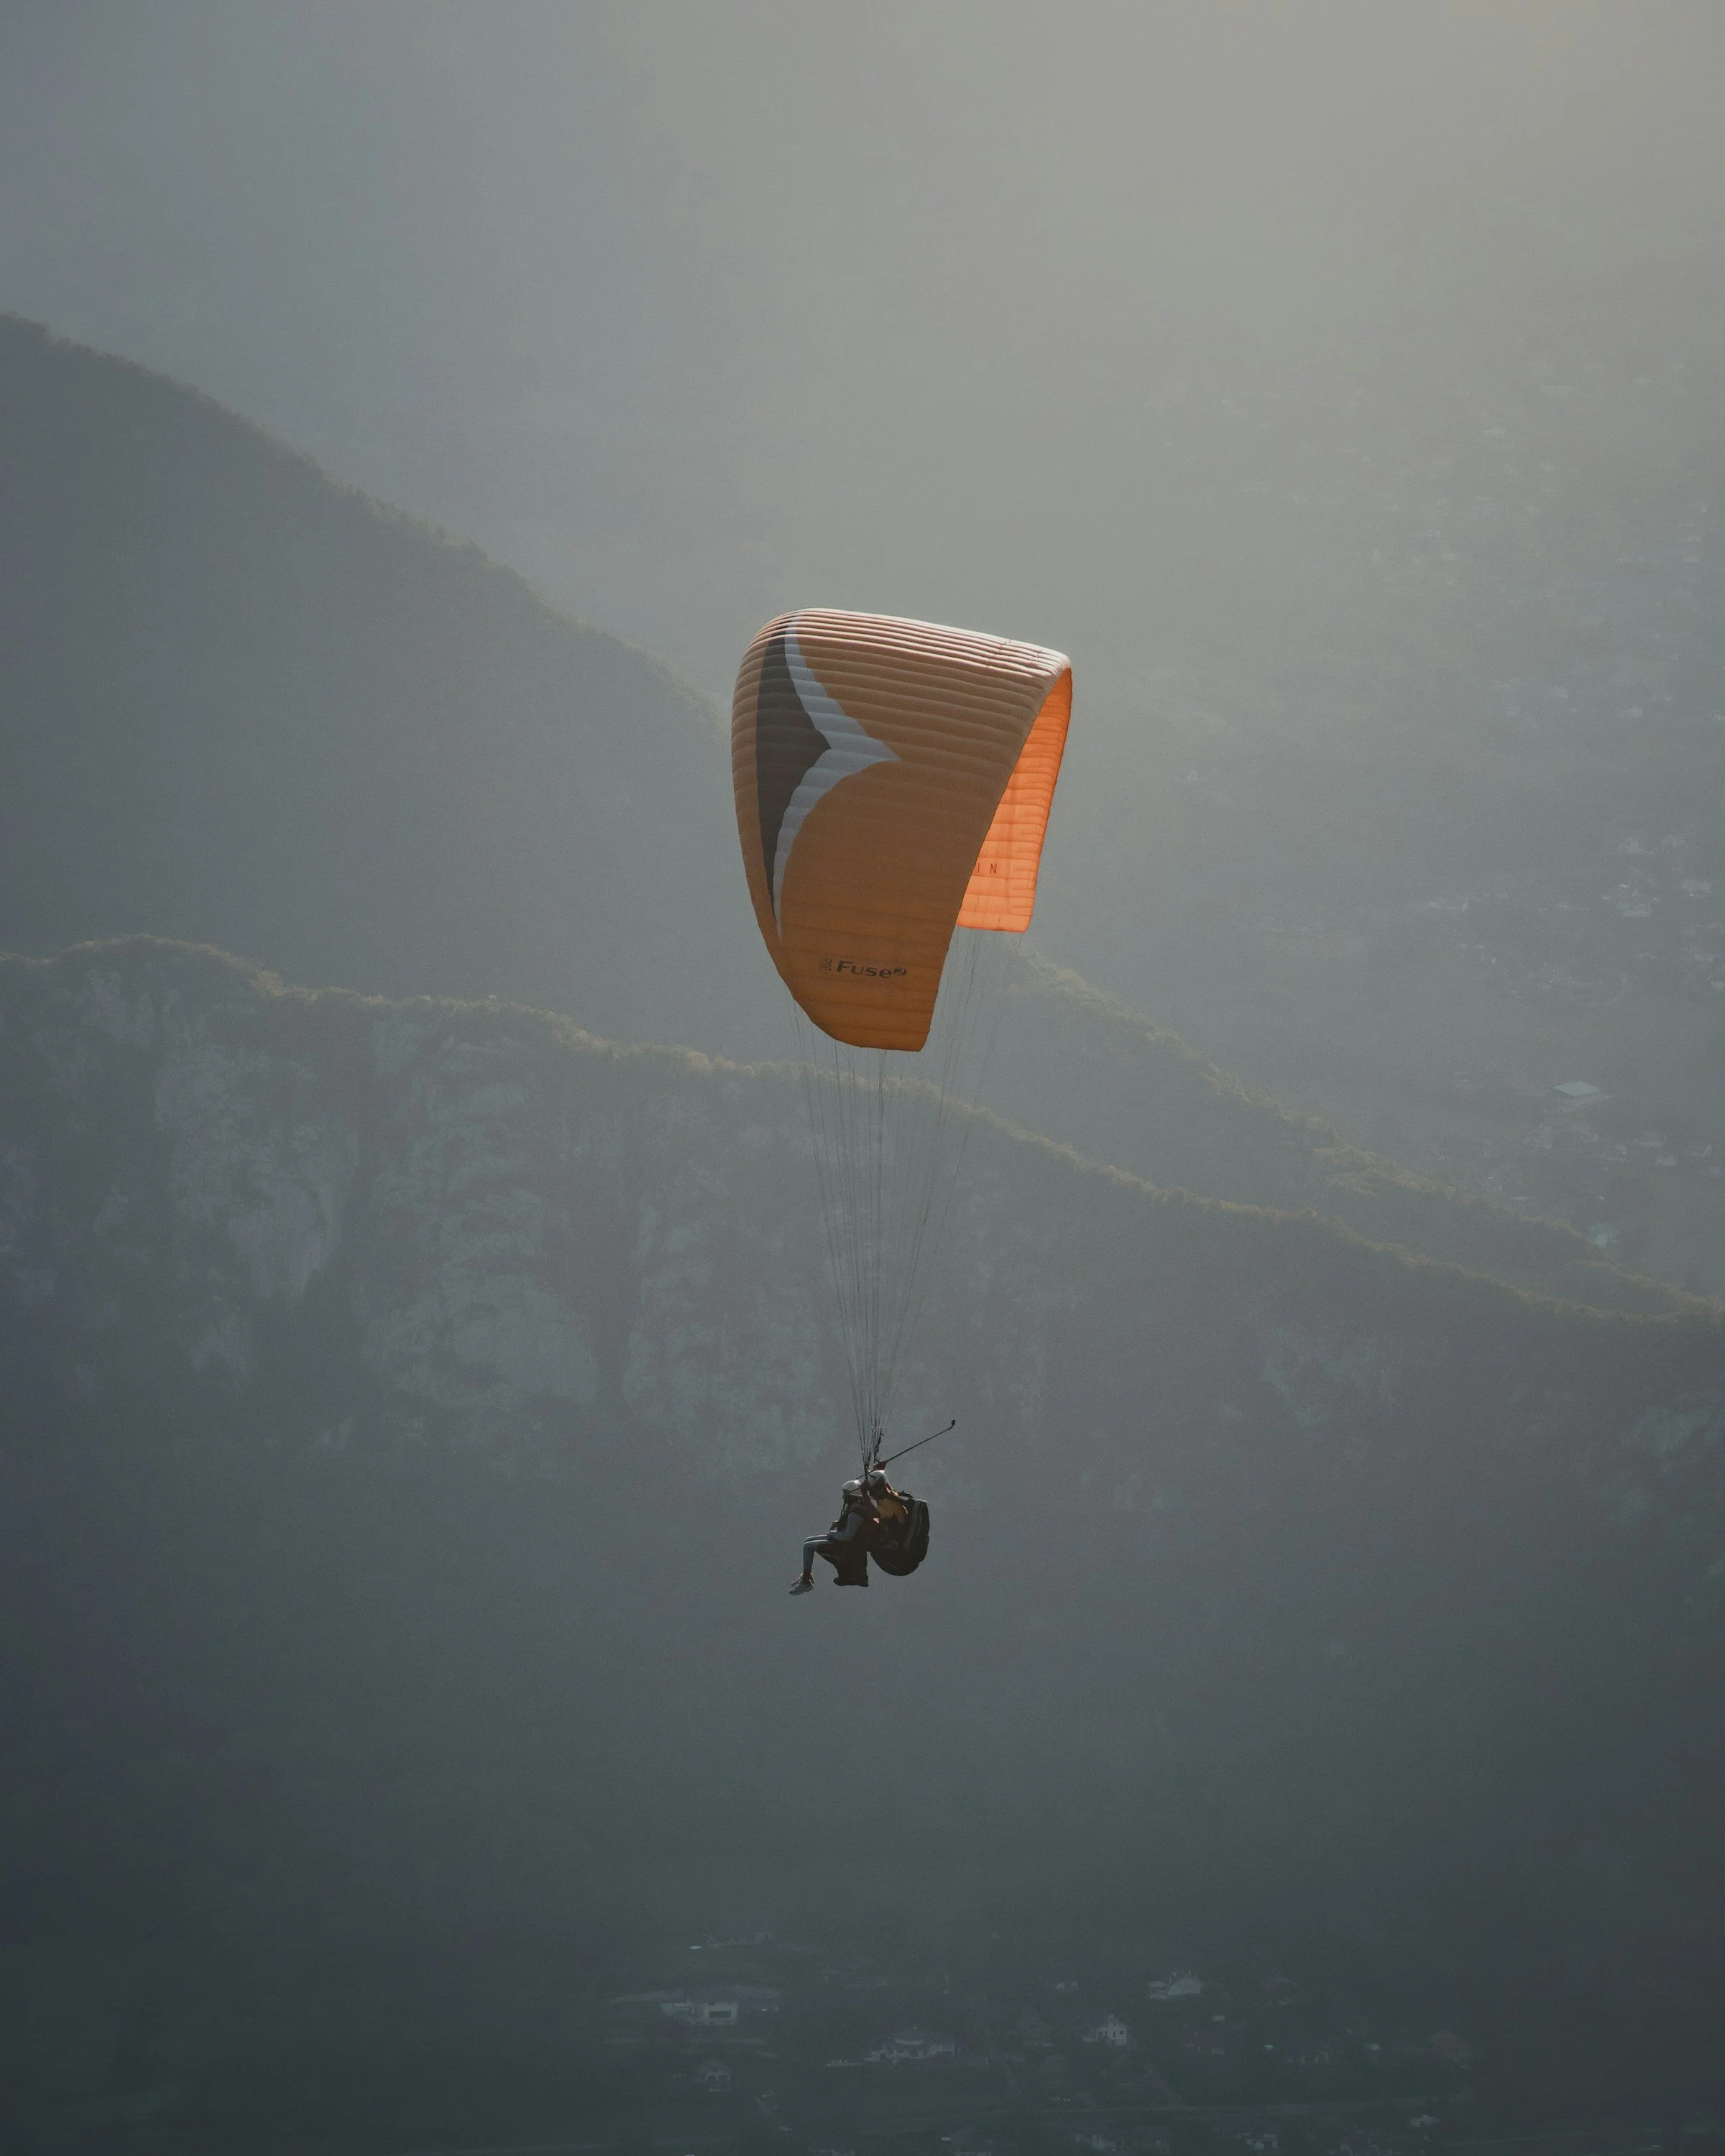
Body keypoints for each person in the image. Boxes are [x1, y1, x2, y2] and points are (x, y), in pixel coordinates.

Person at [789, 1476, 879, 1593]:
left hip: (844, 1545)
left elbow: (847, 1536)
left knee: (808, 1547)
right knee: (808, 1540)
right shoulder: (856, 1507)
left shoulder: (855, 1514)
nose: (843, 1497)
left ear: (850, 1495)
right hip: (842, 1539)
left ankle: (806, 1582)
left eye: (845, 1494)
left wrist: (833, 1533)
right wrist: (838, 1523)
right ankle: (806, 1575)